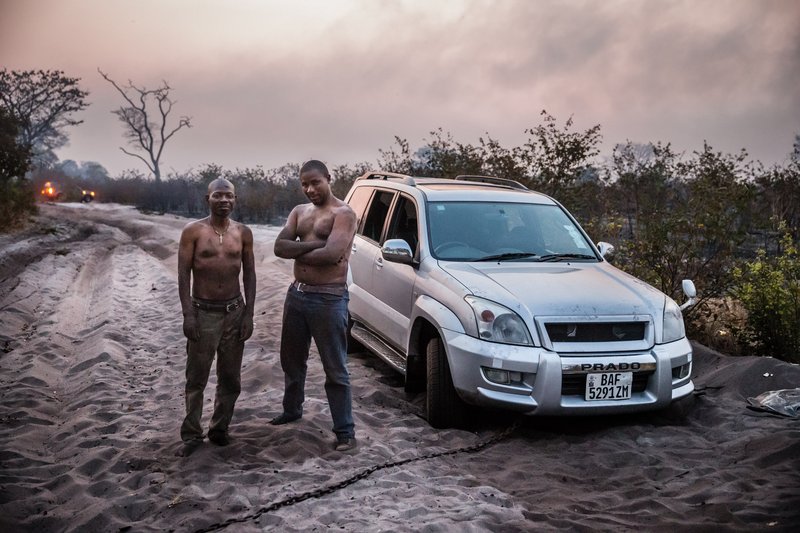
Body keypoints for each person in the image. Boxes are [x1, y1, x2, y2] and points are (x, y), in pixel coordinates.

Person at [271, 159, 358, 452]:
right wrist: (311, 247)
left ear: (328, 178)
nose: (310, 189)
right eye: (305, 184)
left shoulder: (343, 213)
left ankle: (345, 432)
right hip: (297, 294)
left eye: (315, 182)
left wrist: (297, 249)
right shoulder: (299, 212)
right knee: (292, 360)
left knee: (335, 368)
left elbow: (332, 254)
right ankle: (292, 409)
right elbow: (278, 247)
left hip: (329, 297)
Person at [176, 177, 256, 457]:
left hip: (234, 312)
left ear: (235, 200)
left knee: (230, 377)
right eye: (218, 196)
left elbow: (249, 274)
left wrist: (249, 313)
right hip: (203, 312)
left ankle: (220, 429)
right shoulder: (193, 231)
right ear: (207, 199)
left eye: (229, 196)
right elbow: (184, 273)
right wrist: (188, 314)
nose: (224, 201)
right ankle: (192, 434)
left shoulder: (243, 232)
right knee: (196, 377)